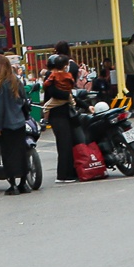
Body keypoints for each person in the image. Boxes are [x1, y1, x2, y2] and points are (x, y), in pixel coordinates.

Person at [0, 53, 31, 195]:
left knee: (8, 155)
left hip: (6, 125)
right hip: (19, 123)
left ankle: (13, 185)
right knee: (21, 153)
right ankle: (24, 183)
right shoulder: (17, 81)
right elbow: (24, 101)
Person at [42, 52, 79, 183]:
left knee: (68, 143)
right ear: (63, 66)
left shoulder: (64, 77)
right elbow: (57, 94)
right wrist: (67, 95)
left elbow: (69, 94)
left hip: (63, 113)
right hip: (57, 115)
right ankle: (63, 175)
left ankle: (70, 171)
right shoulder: (51, 77)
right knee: (64, 144)